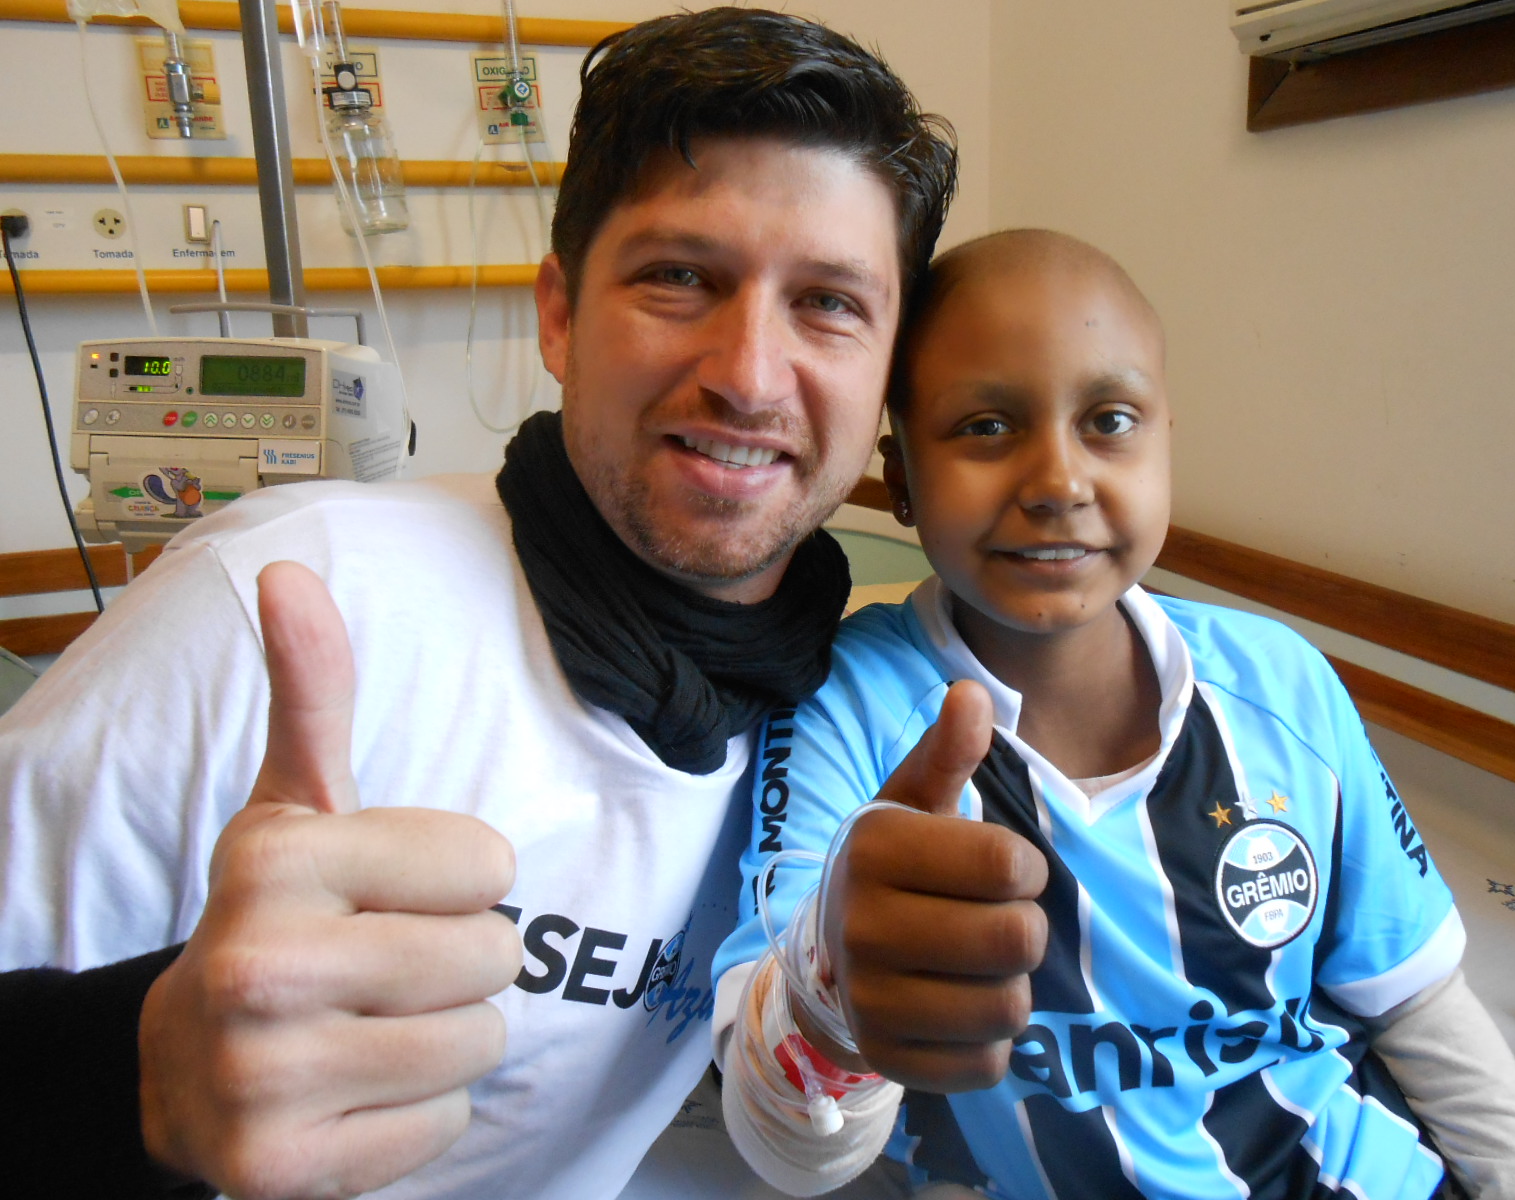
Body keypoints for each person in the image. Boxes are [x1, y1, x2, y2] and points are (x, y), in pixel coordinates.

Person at [0, 9, 956, 1199]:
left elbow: (793, 1139)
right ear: (557, 314)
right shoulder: (277, 611)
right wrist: (126, 1076)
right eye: (677, 277)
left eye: (828, 304)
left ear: (886, 379)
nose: (749, 375)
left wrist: (839, 1019)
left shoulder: (839, 721)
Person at [712, 230, 1515, 1199]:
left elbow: (1417, 1003)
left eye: (1110, 419)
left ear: (1167, 440)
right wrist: (832, 996)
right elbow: (787, 1137)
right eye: (987, 427)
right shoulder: (846, 708)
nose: (1057, 483)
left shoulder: (1283, 687)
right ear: (903, 478)